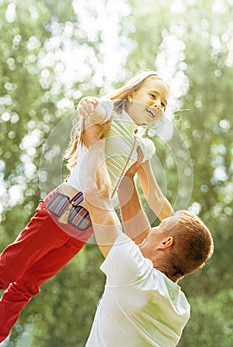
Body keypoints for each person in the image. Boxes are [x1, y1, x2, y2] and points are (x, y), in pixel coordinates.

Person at [0, 70, 173, 342]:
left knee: (27, 286)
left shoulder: (142, 149)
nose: (158, 105)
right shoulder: (109, 113)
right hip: (61, 210)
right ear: (131, 94)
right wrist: (88, 103)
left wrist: (183, 224)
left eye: (164, 103)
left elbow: (156, 197)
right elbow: (92, 106)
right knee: (7, 270)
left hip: (83, 229)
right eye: (153, 96)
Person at [83, 140, 214, 347]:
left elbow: (93, 193)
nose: (151, 229)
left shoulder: (133, 273)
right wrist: (127, 176)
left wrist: (96, 139)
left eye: (160, 226)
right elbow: (143, 246)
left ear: (166, 242)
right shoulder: (179, 309)